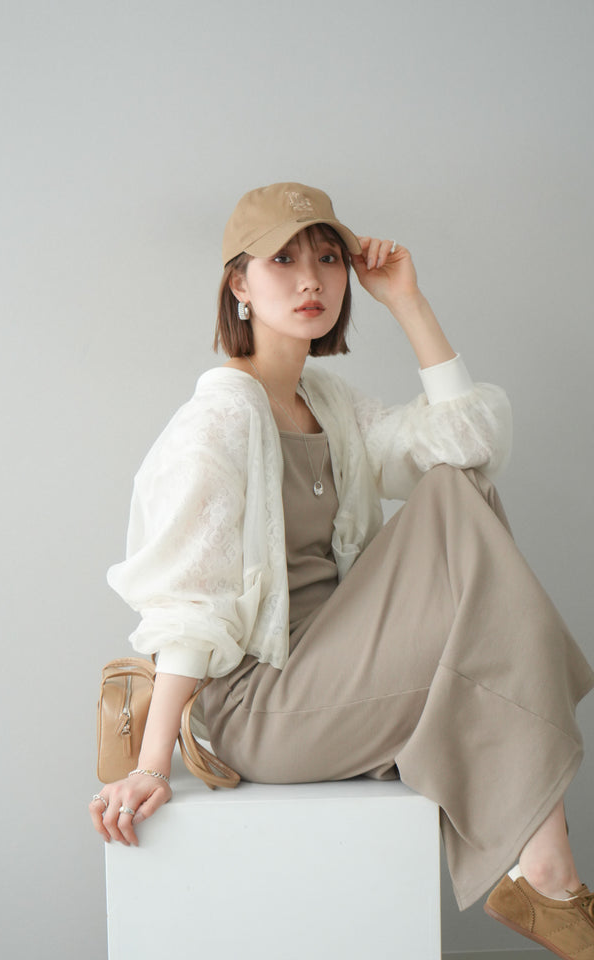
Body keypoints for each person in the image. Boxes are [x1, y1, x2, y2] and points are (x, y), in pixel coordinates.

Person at [89, 182, 594, 957]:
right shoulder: (220, 418)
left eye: (328, 259)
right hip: (262, 709)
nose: (311, 280)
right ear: (239, 283)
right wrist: (153, 764)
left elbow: (469, 447)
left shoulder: (327, 402)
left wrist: (409, 303)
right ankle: (545, 867)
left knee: (460, 488)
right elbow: (191, 599)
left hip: (337, 670)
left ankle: (541, 867)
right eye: (282, 260)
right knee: (461, 518)